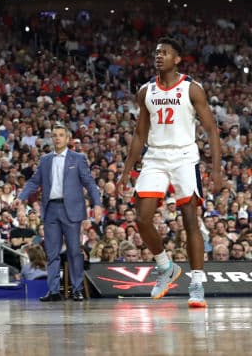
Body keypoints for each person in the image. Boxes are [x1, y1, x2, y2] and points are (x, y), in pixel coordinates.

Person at [118, 37, 223, 309]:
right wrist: (125, 171)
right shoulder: (146, 91)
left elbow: (211, 129)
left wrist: (216, 169)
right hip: (155, 156)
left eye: (164, 53)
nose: (159, 56)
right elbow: (140, 133)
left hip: (185, 156)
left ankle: (197, 281)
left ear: (177, 59)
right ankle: (165, 266)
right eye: (156, 53)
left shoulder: (191, 88)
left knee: (190, 218)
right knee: (141, 218)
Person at [17, 123, 101, 302]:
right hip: (51, 209)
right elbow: (33, 181)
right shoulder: (45, 160)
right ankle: (54, 290)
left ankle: (77, 289)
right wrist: (21, 196)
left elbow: (90, 183)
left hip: (71, 209)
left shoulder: (78, 158)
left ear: (67, 138)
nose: (57, 138)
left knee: (74, 252)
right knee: (52, 252)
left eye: (61, 135)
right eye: (54, 135)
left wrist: (98, 204)